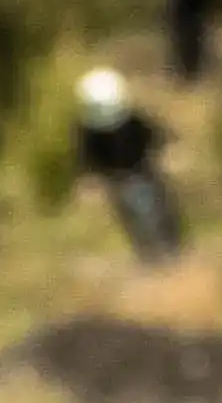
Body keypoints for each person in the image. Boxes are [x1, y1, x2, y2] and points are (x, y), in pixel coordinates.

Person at [72, 67, 188, 263]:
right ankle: (150, 257)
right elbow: (87, 157)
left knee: (160, 210)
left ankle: (173, 252)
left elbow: (156, 135)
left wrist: (170, 151)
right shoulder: (88, 130)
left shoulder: (132, 119)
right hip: (116, 179)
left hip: (145, 170)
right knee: (134, 218)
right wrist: (89, 180)